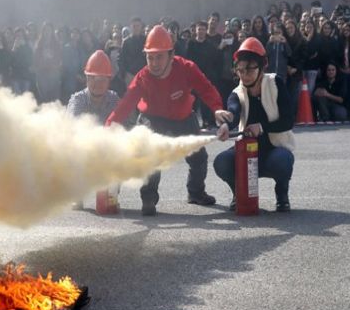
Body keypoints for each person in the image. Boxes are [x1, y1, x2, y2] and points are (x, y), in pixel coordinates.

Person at [105, 25, 232, 216]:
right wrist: (109, 126)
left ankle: (196, 192)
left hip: (183, 117)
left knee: (199, 158)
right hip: (152, 119)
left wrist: (216, 109)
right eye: (150, 57)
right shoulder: (143, 77)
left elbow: (206, 89)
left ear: (171, 55)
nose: (154, 63)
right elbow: (126, 104)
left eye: (159, 57)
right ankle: (148, 198)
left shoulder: (187, 68)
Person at [214, 37, 295, 213]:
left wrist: (262, 127)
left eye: (250, 69)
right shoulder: (237, 93)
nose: (244, 75)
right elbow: (233, 113)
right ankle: (239, 194)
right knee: (221, 162)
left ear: (262, 66)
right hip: (246, 153)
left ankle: (282, 194)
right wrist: (226, 126)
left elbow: (288, 120)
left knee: (283, 161)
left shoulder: (275, 84)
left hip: (274, 150)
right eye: (240, 70)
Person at [67, 50, 121, 210]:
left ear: (109, 80)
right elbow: (73, 127)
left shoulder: (114, 99)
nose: (97, 84)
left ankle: (111, 194)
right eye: (93, 79)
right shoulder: (78, 99)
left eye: (102, 79)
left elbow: (122, 127)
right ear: (86, 79)